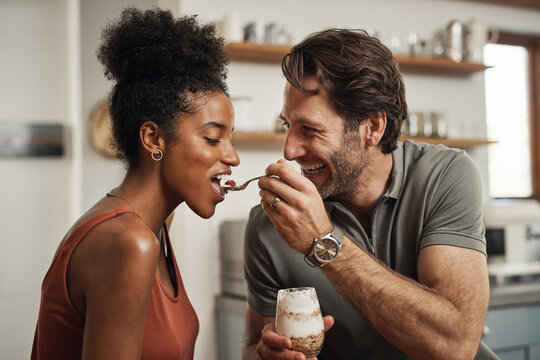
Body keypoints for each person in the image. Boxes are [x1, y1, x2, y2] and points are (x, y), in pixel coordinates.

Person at [243, 29, 496, 359]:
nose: (289, 150)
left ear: (373, 128)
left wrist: (322, 240)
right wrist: (266, 354)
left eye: (310, 129)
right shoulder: (268, 226)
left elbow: (455, 346)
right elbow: (252, 346)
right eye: (287, 126)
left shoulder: (444, 176)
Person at [31, 7, 239, 359]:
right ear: (153, 139)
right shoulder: (129, 242)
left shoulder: (151, 226)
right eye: (212, 139)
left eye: (230, 139)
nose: (233, 157)